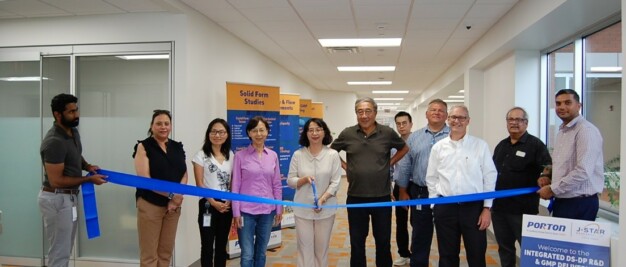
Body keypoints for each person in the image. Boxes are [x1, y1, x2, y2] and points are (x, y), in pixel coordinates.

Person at [331, 97, 409, 267]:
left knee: (383, 242)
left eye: (368, 111)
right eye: (360, 111)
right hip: (355, 197)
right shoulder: (347, 133)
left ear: (375, 112)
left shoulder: (387, 133)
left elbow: (404, 148)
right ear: (356, 113)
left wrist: (390, 162)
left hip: (381, 197)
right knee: (357, 243)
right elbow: (330, 152)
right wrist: (346, 167)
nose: (364, 115)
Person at [39, 93, 108, 267]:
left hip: (68, 198)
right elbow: (56, 180)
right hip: (56, 198)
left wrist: (87, 166)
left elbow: (75, 155)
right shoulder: (54, 141)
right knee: (59, 252)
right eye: (71, 112)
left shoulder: (72, 131)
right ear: (57, 114)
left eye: (76, 110)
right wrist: (88, 180)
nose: (76, 115)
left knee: (65, 248)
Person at [425, 105, 496, 267]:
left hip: (474, 209)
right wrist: (434, 204)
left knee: (476, 253)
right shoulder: (438, 147)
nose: (457, 121)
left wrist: (487, 208)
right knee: (447, 255)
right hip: (445, 207)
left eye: (462, 118)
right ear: (448, 120)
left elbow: (489, 177)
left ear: (468, 121)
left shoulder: (480, 146)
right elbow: (432, 178)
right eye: (454, 117)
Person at [492, 107, 552, 267]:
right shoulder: (501, 146)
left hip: (523, 209)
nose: (514, 123)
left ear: (526, 123)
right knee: (505, 248)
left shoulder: (535, 145)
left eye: (518, 120)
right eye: (510, 119)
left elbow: (548, 166)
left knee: (528, 249)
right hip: (499, 208)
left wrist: (544, 177)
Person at [397, 99, 449, 267]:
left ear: (446, 115)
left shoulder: (454, 136)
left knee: (448, 237)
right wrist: (403, 190)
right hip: (420, 192)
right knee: (420, 236)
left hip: (446, 194)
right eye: (433, 109)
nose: (436, 112)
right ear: (426, 114)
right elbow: (405, 165)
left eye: (441, 110)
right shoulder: (414, 138)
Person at [537, 89, 604, 221]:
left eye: (567, 102)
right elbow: (564, 165)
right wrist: (548, 177)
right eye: (558, 103)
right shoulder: (563, 131)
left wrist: (552, 189)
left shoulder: (586, 131)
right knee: (558, 242)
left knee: (574, 243)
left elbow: (583, 171)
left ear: (579, 106)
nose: (562, 107)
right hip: (563, 201)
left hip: (580, 203)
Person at [133, 109, 188, 267]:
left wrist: (176, 198)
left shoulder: (177, 147)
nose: (163, 127)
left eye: (166, 123)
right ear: (151, 126)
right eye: (159, 123)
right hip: (151, 205)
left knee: (165, 254)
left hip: (173, 207)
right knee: (149, 257)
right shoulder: (143, 146)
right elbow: (145, 180)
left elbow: (184, 174)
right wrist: (172, 195)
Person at [287, 118, 342, 267]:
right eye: (310, 130)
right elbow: (290, 180)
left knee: (321, 249)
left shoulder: (332, 155)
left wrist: (323, 199)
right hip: (302, 209)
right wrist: (303, 180)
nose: (315, 133)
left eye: (318, 129)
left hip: (326, 209)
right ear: (306, 133)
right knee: (305, 248)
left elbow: (336, 182)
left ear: (324, 132)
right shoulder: (298, 155)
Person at [232, 116, 283, 267]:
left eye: (262, 130)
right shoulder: (240, 156)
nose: (259, 134)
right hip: (246, 211)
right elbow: (235, 186)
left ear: (267, 132)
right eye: (255, 130)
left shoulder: (273, 156)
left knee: (261, 252)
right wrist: (236, 212)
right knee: (247, 254)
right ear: (249, 133)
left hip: (267, 211)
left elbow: (277, 184)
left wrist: (279, 207)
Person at [193, 118, 235, 267]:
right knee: (207, 245)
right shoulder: (201, 155)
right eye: (214, 131)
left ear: (227, 135)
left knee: (222, 245)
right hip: (208, 204)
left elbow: (232, 182)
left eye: (222, 132)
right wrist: (213, 202)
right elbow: (199, 184)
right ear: (209, 134)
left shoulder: (231, 155)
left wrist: (229, 200)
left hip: (227, 204)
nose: (217, 135)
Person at [391, 111, 413, 266]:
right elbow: (390, 168)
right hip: (399, 186)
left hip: (417, 186)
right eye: (398, 123)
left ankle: (417, 253)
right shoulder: (393, 144)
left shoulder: (418, 140)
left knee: (418, 222)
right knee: (401, 222)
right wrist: (389, 187)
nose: (401, 126)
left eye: (404, 123)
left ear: (411, 124)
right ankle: (404, 254)